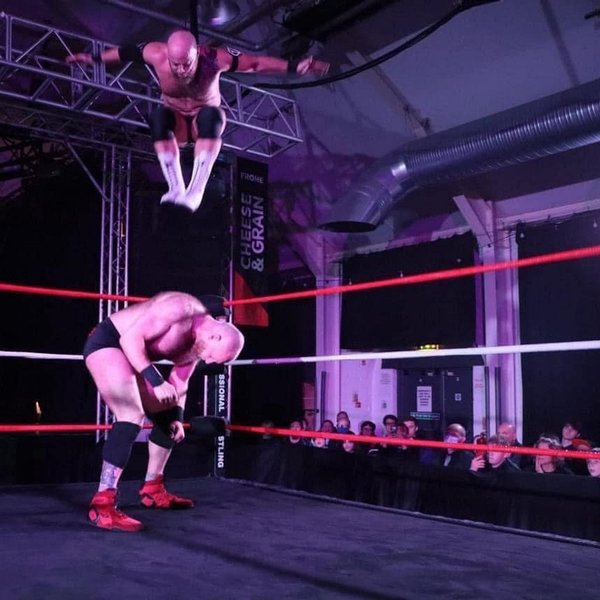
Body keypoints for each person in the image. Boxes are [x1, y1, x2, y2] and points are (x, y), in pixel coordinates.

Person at [66, 30, 330, 211]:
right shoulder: (155, 53)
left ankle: (196, 191)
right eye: (176, 65)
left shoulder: (214, 58)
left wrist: (293, 67)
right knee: (158, 117)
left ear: (197, 53)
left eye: (187, 64)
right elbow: (124, 53)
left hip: (203, 124)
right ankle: (175, 187)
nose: (181, 71)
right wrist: (93, 58)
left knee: (211, 116)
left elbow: (256, 64)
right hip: (178, 127)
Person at [83, 291, 245, 532]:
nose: (210, 362)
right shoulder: (179, 309)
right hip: (110, 343)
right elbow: (129, 340)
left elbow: (180, 382)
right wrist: (156, 382)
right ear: (216, 336)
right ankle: (102, 504)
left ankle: (152, 488)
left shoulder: (197, 344)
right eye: (214, 356)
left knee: (168, 420)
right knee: (131, 414)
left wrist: (176, 418)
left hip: (135, 356)